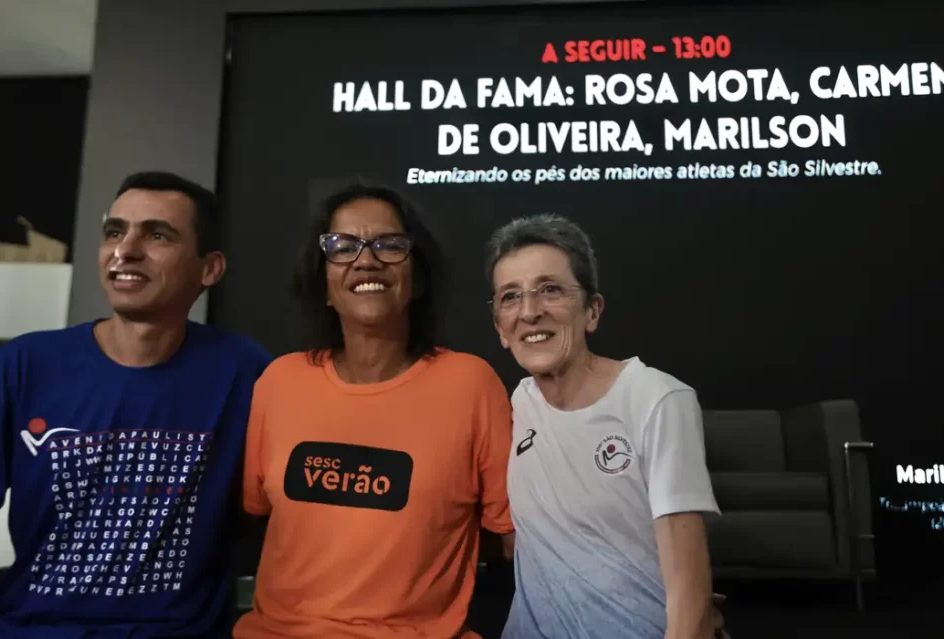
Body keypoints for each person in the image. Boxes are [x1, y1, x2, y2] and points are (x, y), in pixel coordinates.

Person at [0, 171, 272, 637]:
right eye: (115, 232)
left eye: (157, 235)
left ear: (210, 269)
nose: (126, 250)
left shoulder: (247, 372)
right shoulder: (24, 366)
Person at [233, 182, 514, 639]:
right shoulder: (279, 383)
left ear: (417, 278)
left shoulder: (470, 386)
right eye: (343, 247)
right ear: (323, 284)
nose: (366, 260)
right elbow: (256, 511)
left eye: (389, 244)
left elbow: (514, 540)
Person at [485, 213, 722, 639]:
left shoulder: (656, 399)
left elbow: (690, 592)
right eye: (511, 296)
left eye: (550, 290)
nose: (530, 312)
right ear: (500, 328)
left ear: (591, 311)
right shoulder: (517, 403)